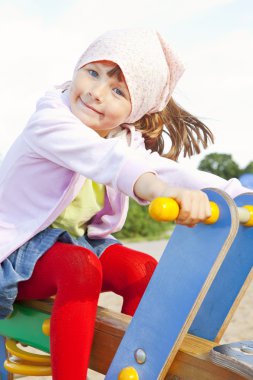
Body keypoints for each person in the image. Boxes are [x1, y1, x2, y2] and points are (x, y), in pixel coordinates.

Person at [0, 28, 249, 379]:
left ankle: (129, 370)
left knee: (142, 270)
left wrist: (235, 192)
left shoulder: (121, 140)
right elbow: (107, 162)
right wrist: (157, 189)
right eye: (93, 72)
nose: (97, 92)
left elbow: (170, 171)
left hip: (72, 243)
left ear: (136, 110)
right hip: (13, 252)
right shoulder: (51, 119)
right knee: (80, 267)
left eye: (118, 91)